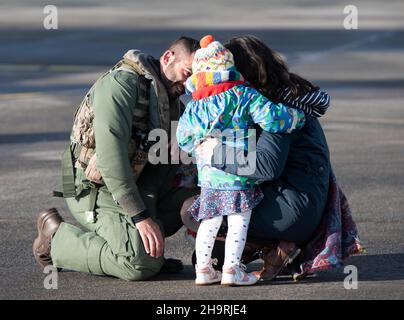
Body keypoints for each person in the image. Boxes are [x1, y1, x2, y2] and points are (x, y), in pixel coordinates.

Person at [32, 36, 201, 281]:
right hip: (95, 188)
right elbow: (111, 159)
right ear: (168, 58)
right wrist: (140, 217)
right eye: (187, 73)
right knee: (139, 264)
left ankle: (129, 241)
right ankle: (56, 240)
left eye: (196, 79)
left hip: (139, 183)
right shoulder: (121, 85)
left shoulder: (171, 102)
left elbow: (182, 157)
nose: (189, 84)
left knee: (204, 197)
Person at [181, 35, 336, 281]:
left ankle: (279, 245)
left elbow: (265, 167)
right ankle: (274, 247)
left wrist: (215, 153)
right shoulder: (277, 98)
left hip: (293, 210)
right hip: (296, 200)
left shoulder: (276, 108)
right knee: (213, 257)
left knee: (193, 210)